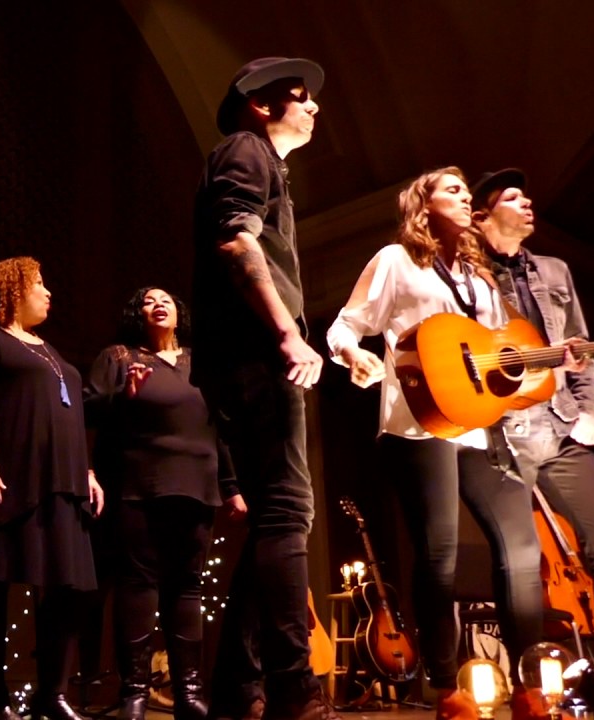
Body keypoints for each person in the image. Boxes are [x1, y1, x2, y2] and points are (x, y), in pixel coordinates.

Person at [326, 168, 551, 720]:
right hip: (417, 421)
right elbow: (345, 326)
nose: (464, 195)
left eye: (465, 190)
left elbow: (499, 353)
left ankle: (528, 687)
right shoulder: (395, 261)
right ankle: (447, 689)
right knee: (440, 551)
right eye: (451, 189)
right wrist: (355, 356)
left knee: (522, 548)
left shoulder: (480, 278)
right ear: (421, 206)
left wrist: (547, 362)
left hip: (478, 425)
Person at [190, 56, 338, 720]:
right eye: (299, 98)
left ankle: (236, 686)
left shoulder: (264, 163)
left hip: (248, 353)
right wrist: (285, 332)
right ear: (260, 104)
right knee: (286, 510)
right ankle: (291, 685)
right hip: (254, 354)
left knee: (275, 517)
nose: (313, 109)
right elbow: (234, 243)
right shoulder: (247, 150)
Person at [472, 168, 594, 666]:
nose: (527, 201)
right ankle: (532, 684)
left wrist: (590, 409)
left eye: (527, 195)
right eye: (512, 196)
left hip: (563, 424)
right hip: (501, 432)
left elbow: (580, 347)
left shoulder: (554, 271)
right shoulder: (467, 276)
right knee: (521, 562)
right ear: (483, 216)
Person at [0, 257, 104, 720]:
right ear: (13, 290)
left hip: (64, 482)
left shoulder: (51, 351)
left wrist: (89, 472)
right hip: (11, 479)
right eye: (39, 283)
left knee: (67, 588)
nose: (48, 292)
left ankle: (51, 695)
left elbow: (72, 418)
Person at [85, 287, 232, 719]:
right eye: (148, 301)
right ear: (138, 314)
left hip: (198, 485)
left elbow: (219, 429)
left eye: (165, 299)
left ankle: (188, 692)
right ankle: (134, 691)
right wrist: (121, 396)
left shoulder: (198, 362)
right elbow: (86, 409)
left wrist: (234, 486)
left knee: (188, 585)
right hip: (139, 483)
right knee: (138, 583)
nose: (159, 304)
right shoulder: (118, 357)